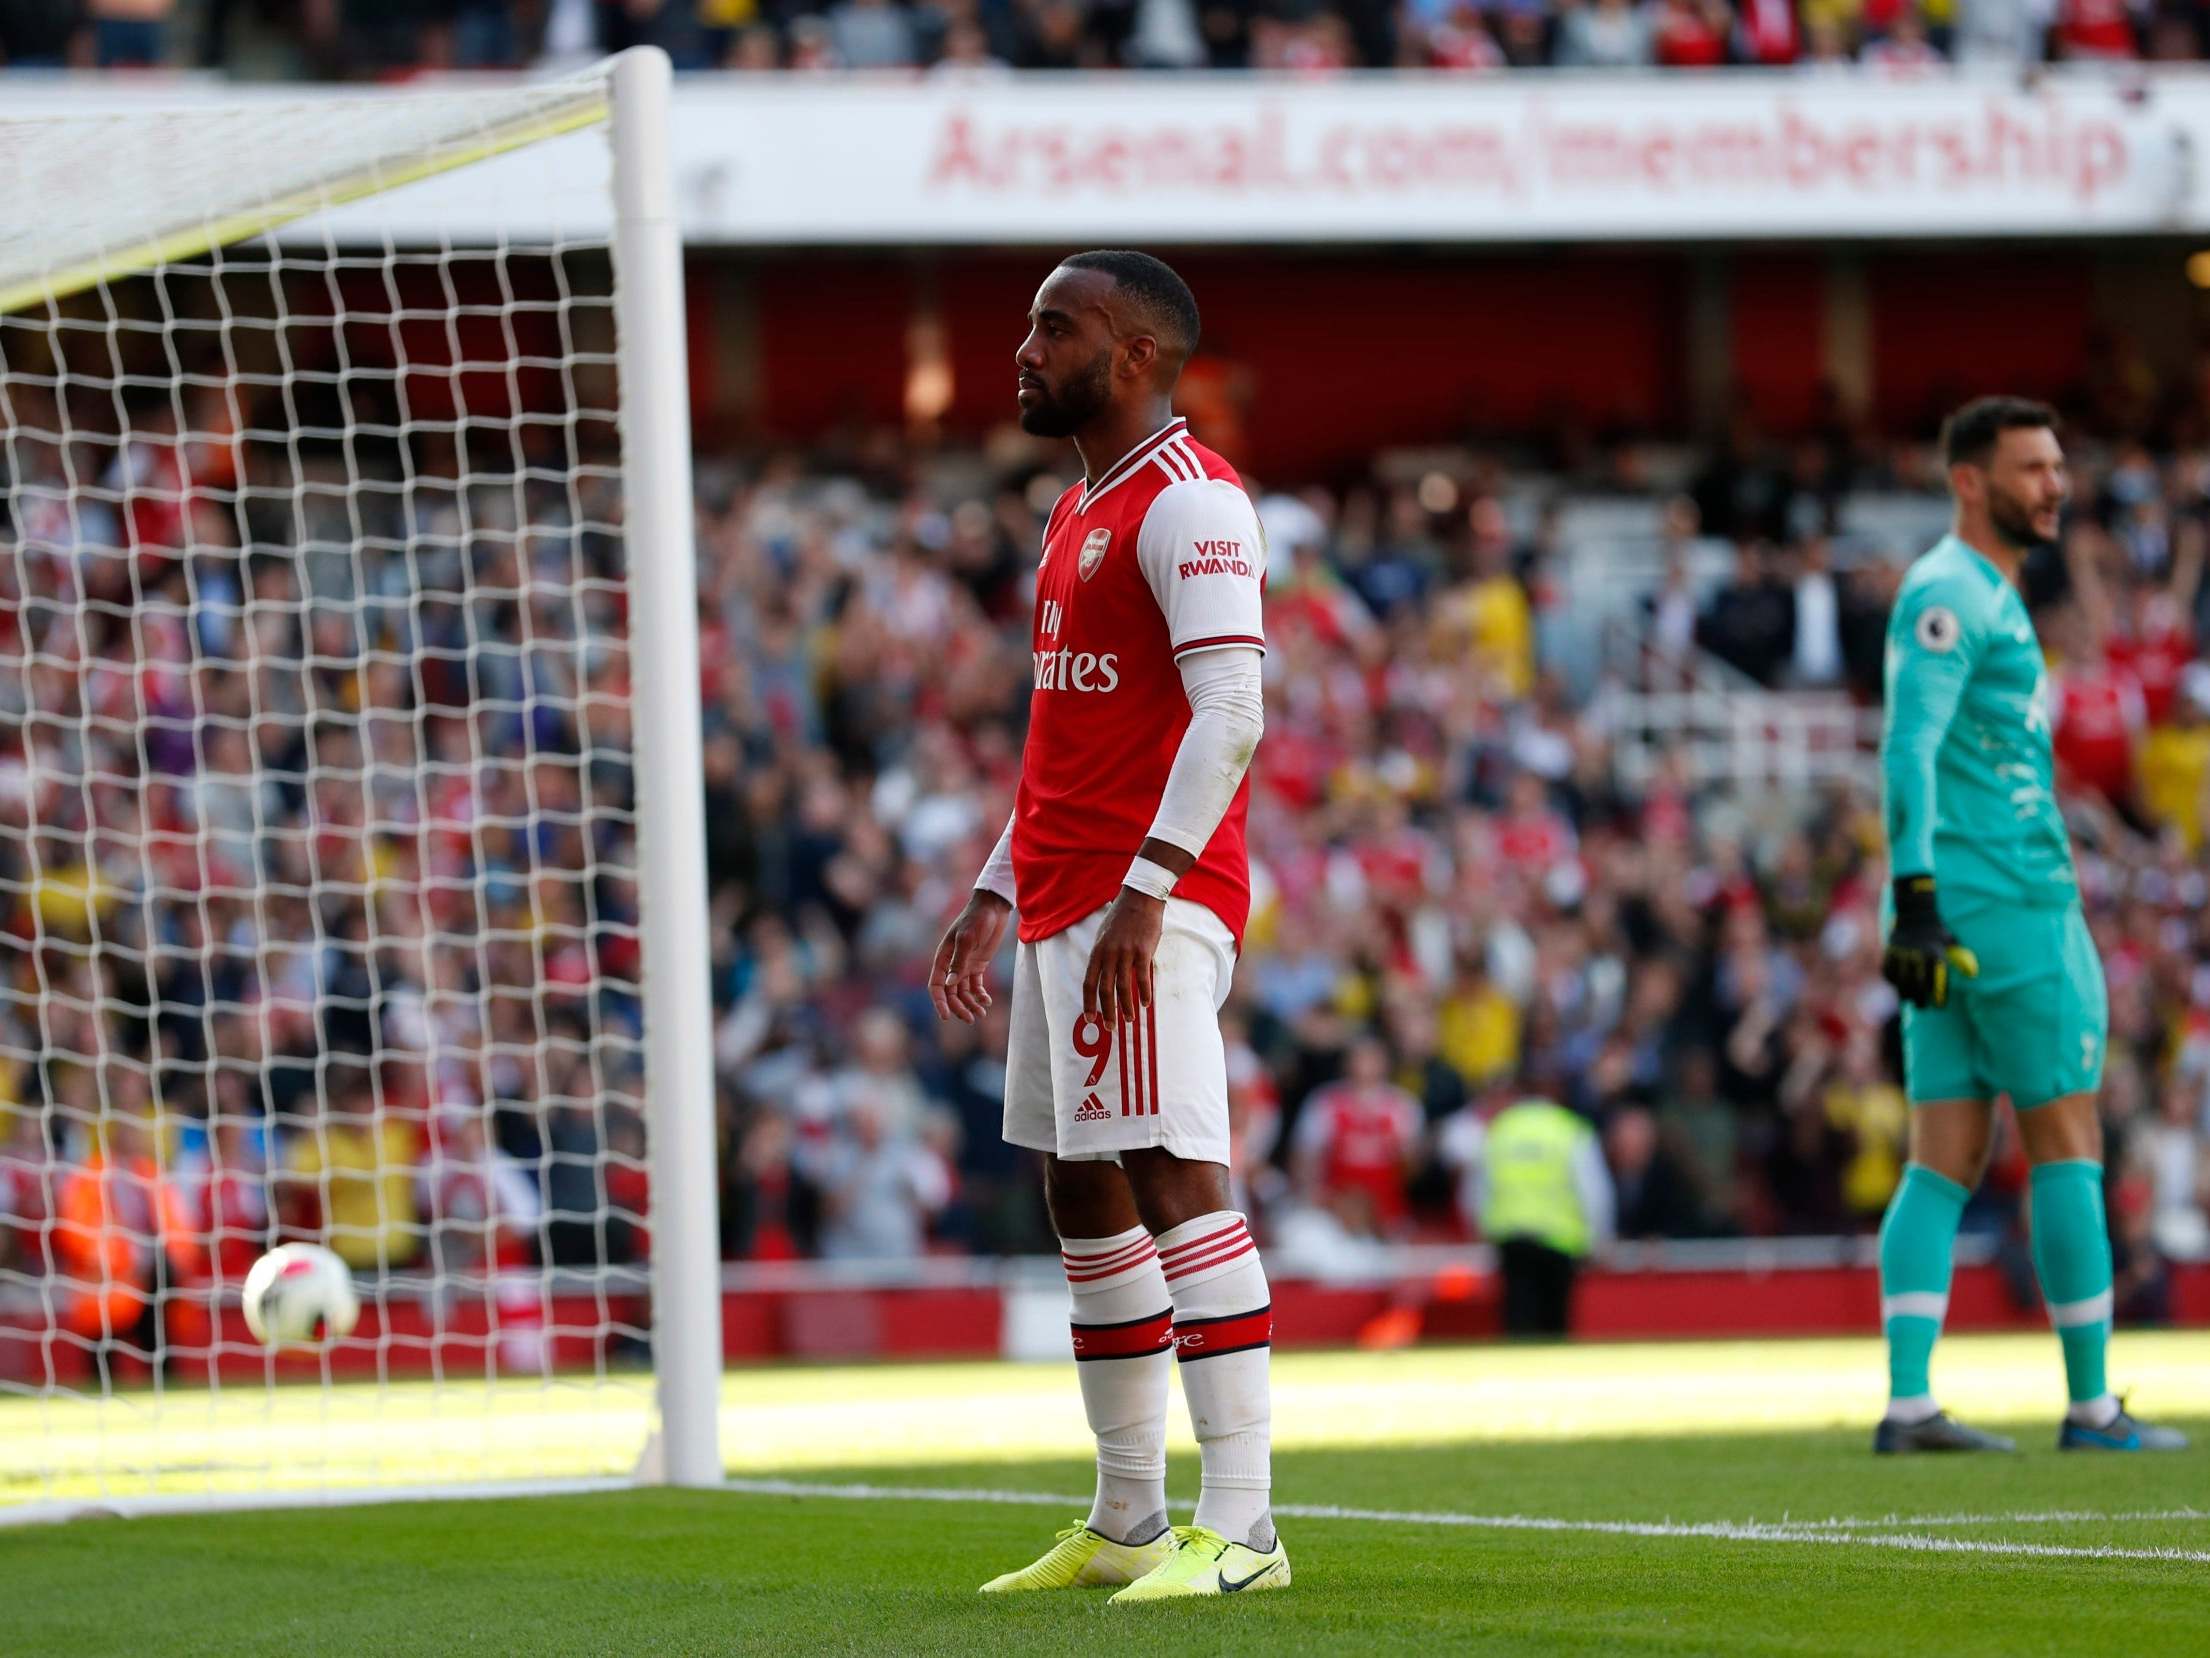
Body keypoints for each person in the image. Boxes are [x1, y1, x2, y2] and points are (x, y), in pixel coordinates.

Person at [929, 251, 1285, 1601]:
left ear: (1132, 353)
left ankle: (1242, 1527)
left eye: (1052, 326)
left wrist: (1149, 894)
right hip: (1066, 894)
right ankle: (1127, 1516)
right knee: (1081, 1188)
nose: (1022, 347)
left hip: (1150, 901)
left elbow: (1231, 713)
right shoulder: (1076, 508)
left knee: (1172, 1167)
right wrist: (993, 884)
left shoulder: (1192, 503)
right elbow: (1064, 736)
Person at [1872, 397, 2185, 1454]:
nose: (2053, 484)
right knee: (2066, 1139)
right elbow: (1904, 746)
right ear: (1968, 479)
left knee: (1943, 1155)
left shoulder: (1972, 590)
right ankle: (2090, 1404)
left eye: (2057, 466)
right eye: (2030, 468)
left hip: (1948, 906)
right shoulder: (1952, 590)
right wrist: (1915, 895)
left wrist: (1912, 900)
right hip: (2003, 903)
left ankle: (1910, 1402)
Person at [1477, 1095, 1613, 1335]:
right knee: (1554, 1321)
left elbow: (1478, 1190)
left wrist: (1483, 1232)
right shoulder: (1569, 1129)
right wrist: (1598, 1241)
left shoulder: (1501, 1129)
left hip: (1512, 1240)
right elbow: (1594, 1192)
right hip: (1560, 1242)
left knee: (1518, 1318)